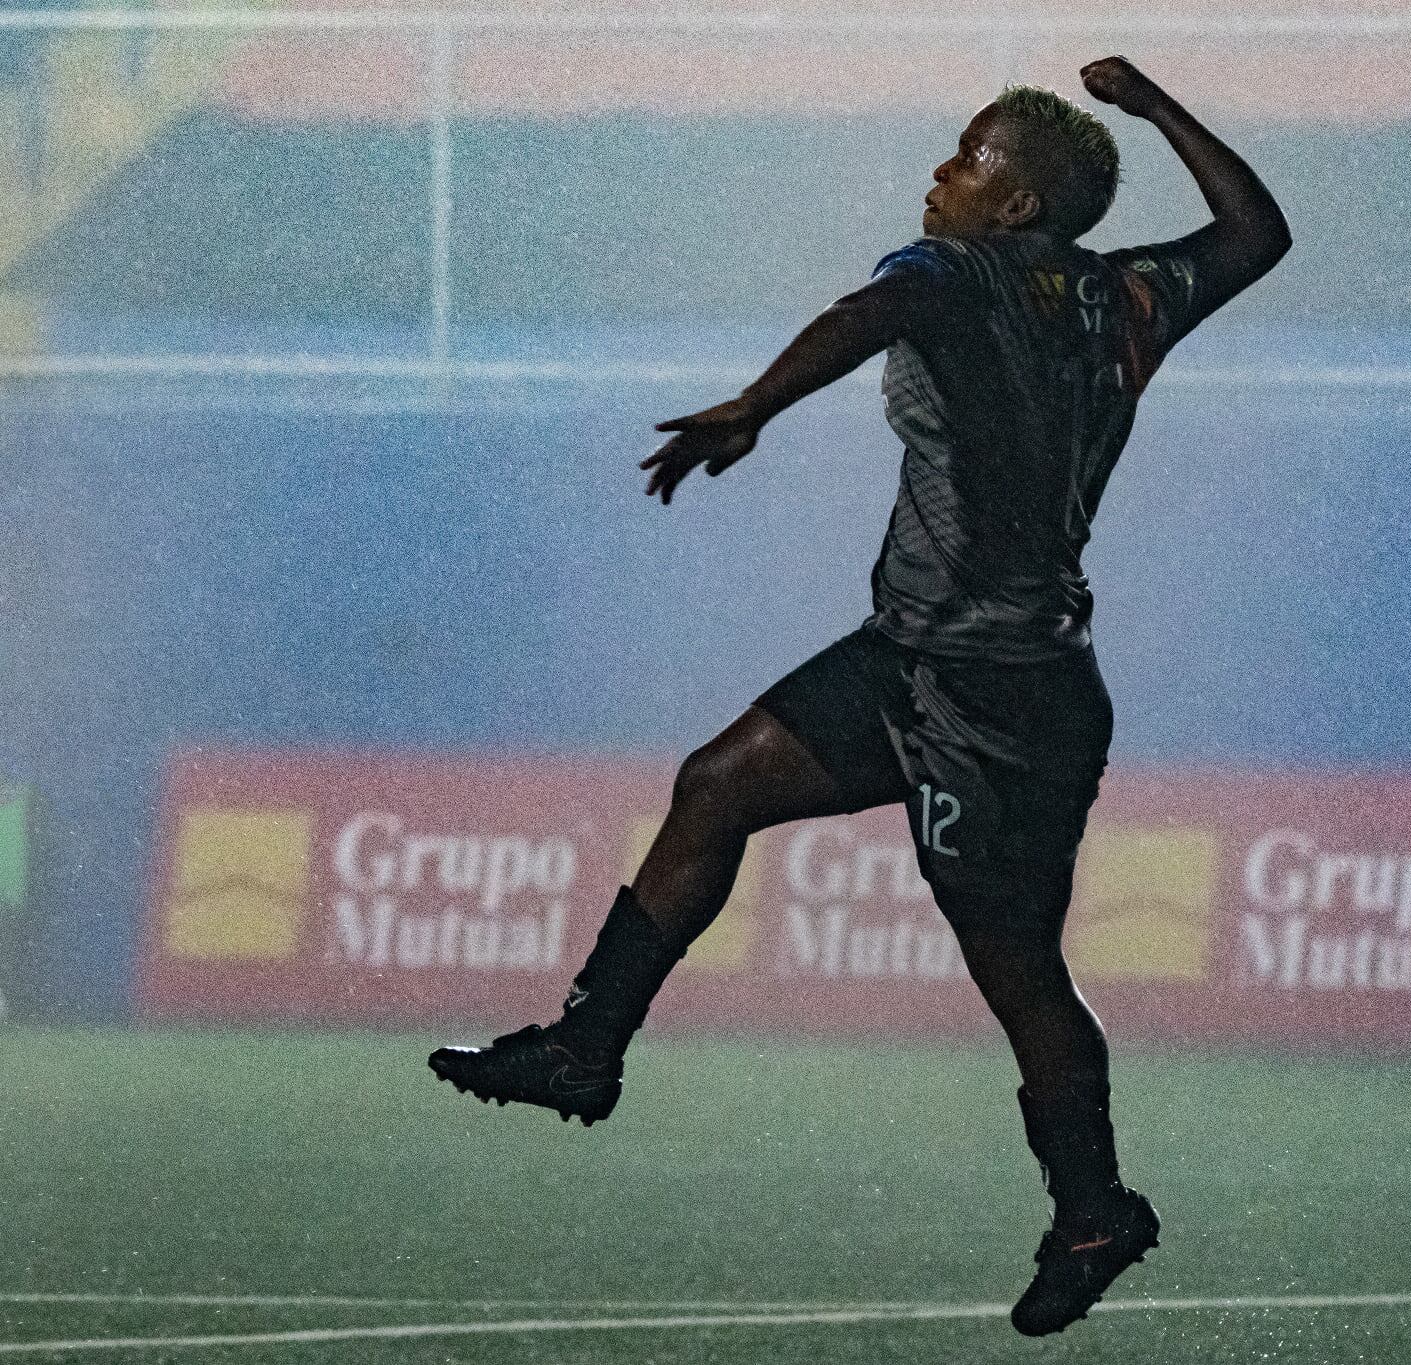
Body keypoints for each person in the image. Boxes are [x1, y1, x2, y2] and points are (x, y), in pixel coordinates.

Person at [430, 56, 1290, 1336]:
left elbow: (864, 313)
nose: (939, 173)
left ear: (1013, 205)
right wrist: (1155, 106)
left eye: (965, 158)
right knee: (716, 785)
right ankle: (583, 1049)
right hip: (915, 658)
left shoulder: (954, 270)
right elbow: (1256, 233)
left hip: (1003, 703)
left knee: (1016, 970)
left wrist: (754, 404)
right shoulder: (1128, 296)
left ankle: (1096, 1210)